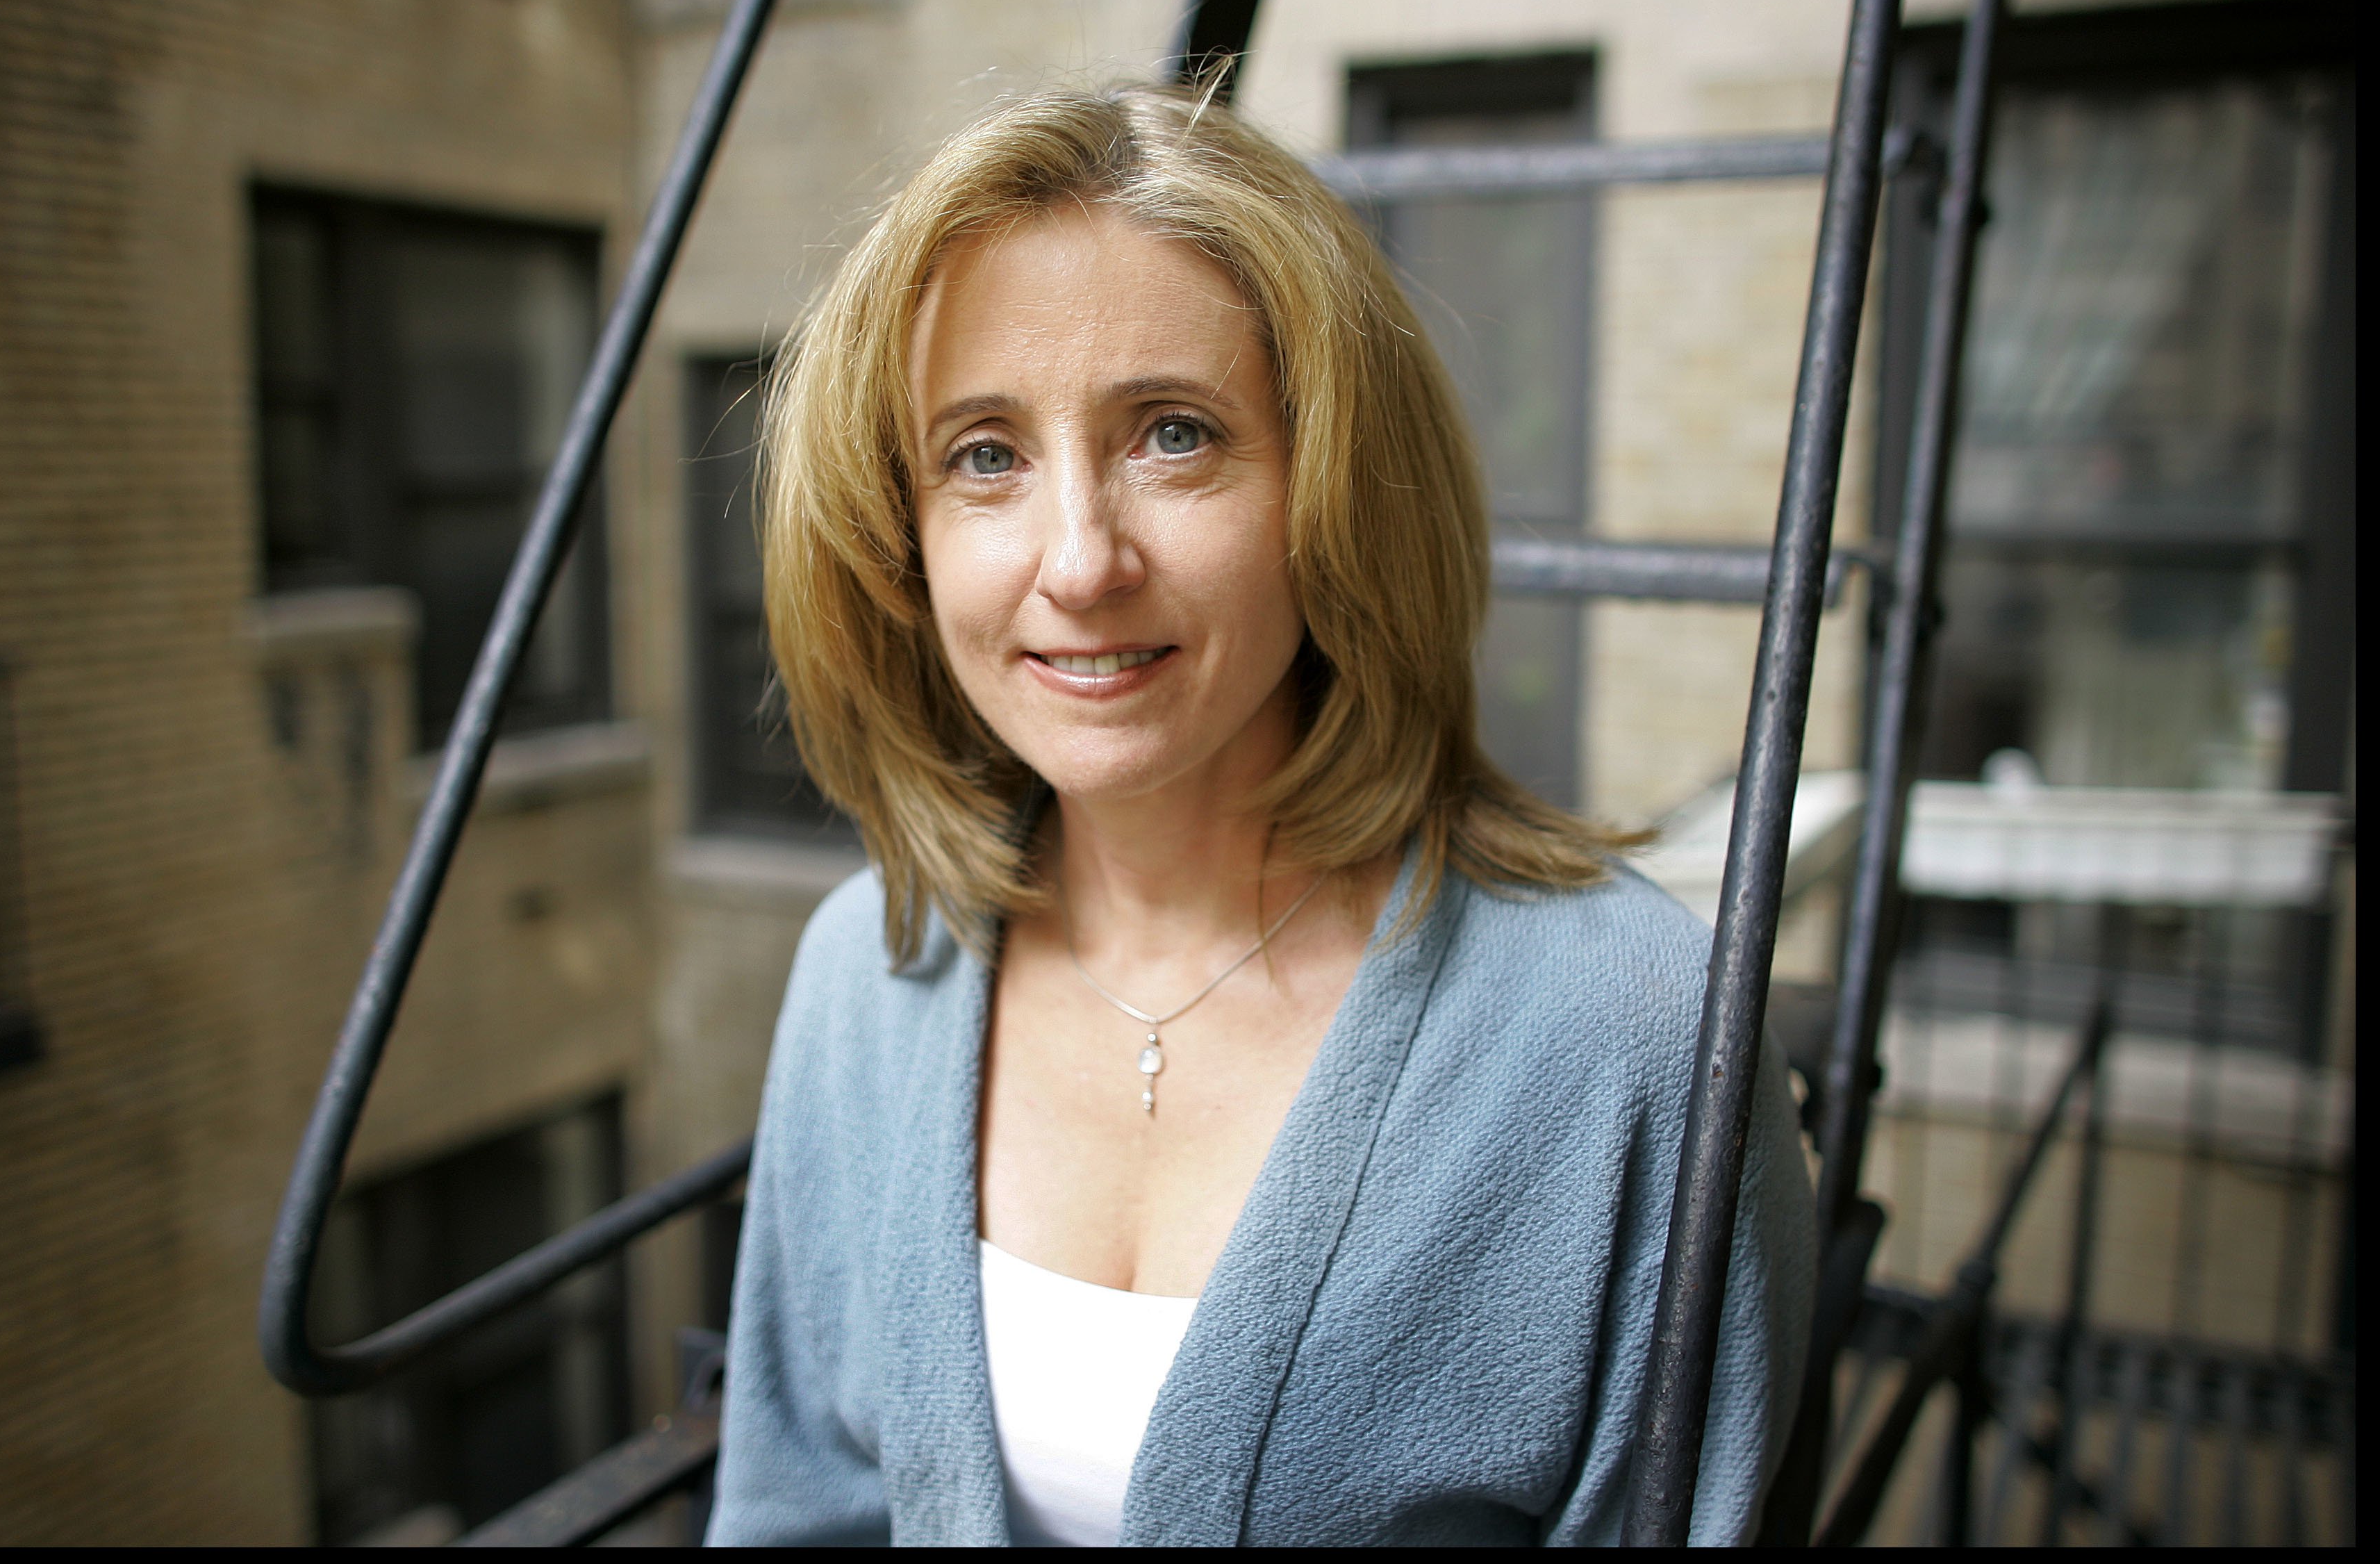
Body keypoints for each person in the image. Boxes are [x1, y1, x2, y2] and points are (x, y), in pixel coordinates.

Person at [704, 78, 1813, 1547]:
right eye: (985, 455)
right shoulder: (868, 971)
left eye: (1172, 434)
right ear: (897, 538)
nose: (1081, 560)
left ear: (1331, 489)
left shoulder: (1635, 1037)